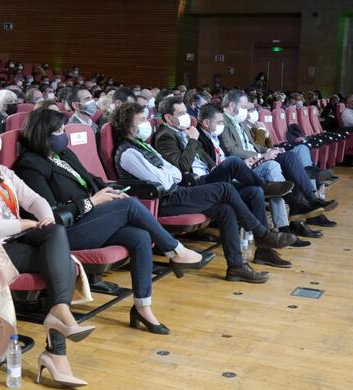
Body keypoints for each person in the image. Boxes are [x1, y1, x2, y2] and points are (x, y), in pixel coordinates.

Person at [14, 108, 211, 334]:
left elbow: (91, 178)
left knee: (140, 236)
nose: (63, 135)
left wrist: (110, 192)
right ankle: (175, 250)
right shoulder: (29, 165)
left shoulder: (63, 154)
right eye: (58, 131)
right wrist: (94, 202)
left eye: (63, 129)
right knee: (129, 206)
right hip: (63, 233)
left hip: (89, 220)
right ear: (42, 134)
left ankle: (142, 307)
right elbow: (50, 214)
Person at [0, 109, 93, 387]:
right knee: (58, 266)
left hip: (20, 238)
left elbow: (34, 198)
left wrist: (44, 214)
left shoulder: (0, 171)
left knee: (55, 231)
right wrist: (23, 225)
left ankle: (59, 316)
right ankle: (56, 353)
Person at [112, 102, 298, 283]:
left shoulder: (143, 146)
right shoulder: (128, 153)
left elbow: (174, 173)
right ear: (128, 126)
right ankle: (262, 233)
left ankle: (236, 267)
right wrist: (169, 175)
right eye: (142, 120)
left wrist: (169, 175)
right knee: (226, 188)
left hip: (176, 192)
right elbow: (164, 181)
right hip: (161, 202)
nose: (147, 123)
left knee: (225, 209)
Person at [154, 97, 295, 265]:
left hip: (207, 176)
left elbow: (204, 157)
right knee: (234, 162)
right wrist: (192, 140)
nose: (187, 116)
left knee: (254, 192)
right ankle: (266, 189)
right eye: (182, 113)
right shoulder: (165, 136)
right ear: (169, 117)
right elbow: (181, 167)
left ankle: (264, 250)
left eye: (186, 111)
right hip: (193, 185)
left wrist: (214, 166)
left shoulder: (184, 130)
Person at [219, 90, 337, 223]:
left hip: (259, 157)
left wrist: (271, 149)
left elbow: (256, 145)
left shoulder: (240, 122)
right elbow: (232, 150)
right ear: (231, 105)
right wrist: (263, 155)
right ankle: (301, 209)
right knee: (288, 166)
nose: (246, 111)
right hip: (246, 164)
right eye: (244, 107)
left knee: (291, 158)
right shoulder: (221, 121)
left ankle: (311, 200)